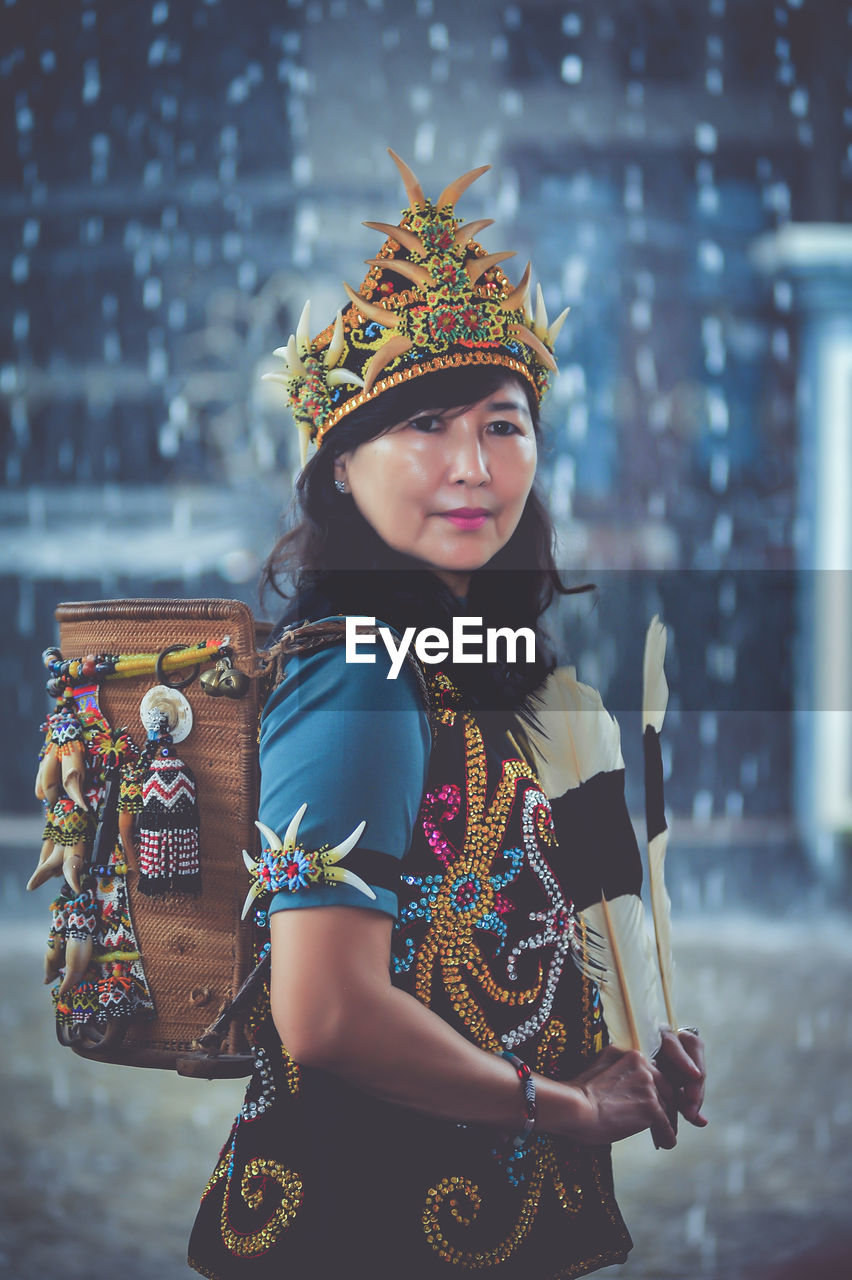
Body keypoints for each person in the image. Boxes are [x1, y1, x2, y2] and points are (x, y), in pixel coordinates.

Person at [188, 150, 706, 1280]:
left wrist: (619, 1025)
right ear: (340, 471)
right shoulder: (358, 673)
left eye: (503, 423)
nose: (472, 464)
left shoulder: (468, 668)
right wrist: (564, 1103)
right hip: (364, 1225)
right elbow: (325, 1011)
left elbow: (492, 920)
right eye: (425, 424)